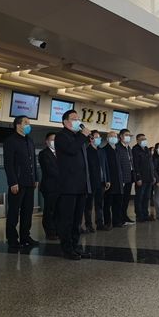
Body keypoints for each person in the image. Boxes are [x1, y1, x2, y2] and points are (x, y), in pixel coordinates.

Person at [55, 110, 91, 260]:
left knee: (77, 220)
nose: (78, 121)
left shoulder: (77, 137)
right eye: (74, 119)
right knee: (67, 220)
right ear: (65, 122)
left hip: (80, 184)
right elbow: (71, 150)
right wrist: (83, 136)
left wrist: (83, 137)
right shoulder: (61, 136)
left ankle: (76, 246)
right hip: (68, 186)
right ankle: (67, 249)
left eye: (78, 118)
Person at [3, 116, 39, 251]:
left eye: (29, 123)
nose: (29, 125)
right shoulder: (10, 141)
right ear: (18, 125)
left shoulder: (30, 140)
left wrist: (35, 178)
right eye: (26, 123)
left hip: (30, 182)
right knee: (14, 212)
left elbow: (33, 161)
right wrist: (13, 182)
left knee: (27, 211)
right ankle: (12, 238)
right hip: (18, 183)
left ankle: (25, 236)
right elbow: (8, 163)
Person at [85, 130, 110, 230]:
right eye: (96, 137)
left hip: (102, 182)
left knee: (99, 204)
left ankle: (100, 223)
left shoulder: (101, 151)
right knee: (89, 205)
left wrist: (107, 180)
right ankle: (88, 224)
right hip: (91, 182)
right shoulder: (87, 151)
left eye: (99, 137)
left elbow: (106, 166)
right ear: (91, 139)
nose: (99, 139)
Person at [38, 132, 59, 240]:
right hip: (49, 186)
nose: (54, 142)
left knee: (58, 210)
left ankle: (57, 230)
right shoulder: (43, 154)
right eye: (52, 140)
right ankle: (49, 232)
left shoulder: (60, 153)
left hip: (60, 187)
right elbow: (49, 169)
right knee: (49, 210)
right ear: (47, 142)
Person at [103, 131, 124, 229]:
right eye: (111, 136)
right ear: (107, 139)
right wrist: (106, 180)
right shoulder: (104, 150)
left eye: (115, 136)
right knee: (107, 203)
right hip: (110, 181)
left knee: (118, 203)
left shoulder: (118, 149)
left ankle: (117, 221)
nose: (114, 138)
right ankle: (107, 222)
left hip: (119, 181)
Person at [132, 133, 153, 222]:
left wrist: (152, 176)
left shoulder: (147, 149)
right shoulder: (135, 150)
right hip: (141, 178)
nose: (144, 140)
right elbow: (135, 165)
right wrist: (138, 178)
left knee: (146, 197)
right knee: (139, 197)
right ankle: (139, 215)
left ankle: (145, 214)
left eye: (145, 139)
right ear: (137, 140)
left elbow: (150, 164)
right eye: (142, 139)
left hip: (149, 178)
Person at [117, 129, 135, 225]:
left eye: (129, 135)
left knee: (126, 199)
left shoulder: (128, 148)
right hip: (122, 178)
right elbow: (118, 164)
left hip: (129, 177)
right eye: (126, 135)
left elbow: (131, 163)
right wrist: (121, 179)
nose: (128, 137)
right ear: (121, 136)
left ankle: (125, 216)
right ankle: (119, 218)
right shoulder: (117, 147)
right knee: (120, 199)